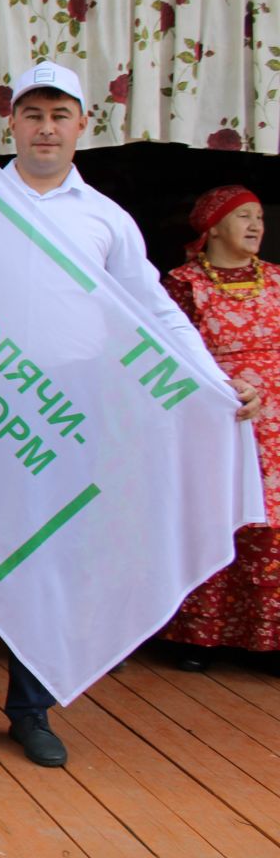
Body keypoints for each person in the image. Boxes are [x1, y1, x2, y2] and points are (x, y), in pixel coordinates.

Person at [0, 61, 260, 768]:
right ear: (10, 124)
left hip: (68, 414)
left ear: (83, 125)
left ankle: (32, 710)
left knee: (52, 562)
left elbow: (152, 313)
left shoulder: (105, 219)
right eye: (32, 115)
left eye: (59, 116)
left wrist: (213, 380)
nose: (45, 128)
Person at [161, 186, 280, 670]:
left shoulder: (275, 279)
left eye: (259, 217)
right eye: (243, 216)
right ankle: (198, 637)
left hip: (275, 422)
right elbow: (167, 351)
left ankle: (268, 642)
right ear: (212, 226)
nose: (256, 225)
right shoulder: (184, 283)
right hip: (217, 415)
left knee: (272, 528)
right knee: (216, 515)